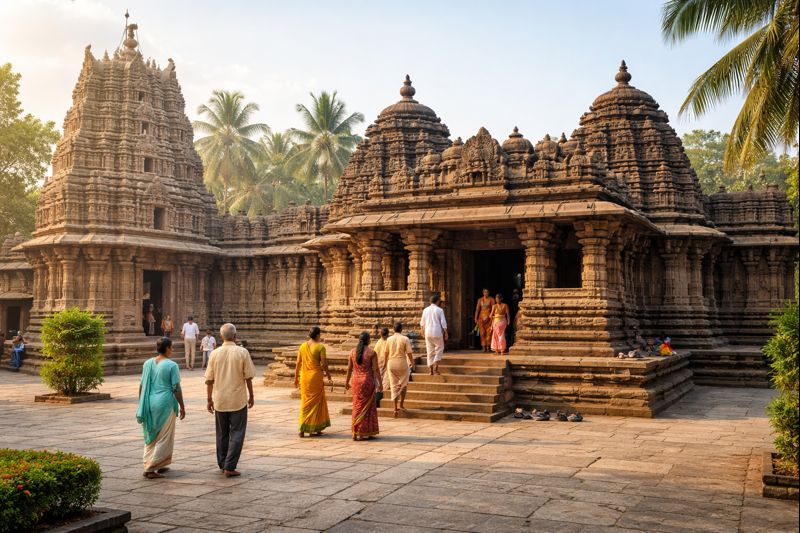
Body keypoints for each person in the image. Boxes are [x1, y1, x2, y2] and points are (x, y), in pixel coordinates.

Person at [205, 323, 256, 477]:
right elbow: (248, 377)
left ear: (221, 337)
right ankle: (230, 466)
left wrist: (209, 399)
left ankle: (223, 463)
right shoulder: (242, 352)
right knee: (237, 432)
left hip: (220, 399)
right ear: (235, 336)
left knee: (222, 433)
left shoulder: (214, 354)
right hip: (237, 399)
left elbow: (209, 380)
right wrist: (251, 396)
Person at [136, 337, 186, 479]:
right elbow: (176, 388)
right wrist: (182, 406)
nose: (173, 350)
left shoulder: (147, 363)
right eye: (172, 347)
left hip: (149, 402)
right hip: (165, 403)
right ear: (167, 348)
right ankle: (151, 468)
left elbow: (141, 385)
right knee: (164, 436)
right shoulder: (172, 365)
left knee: (151, 435)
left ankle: (157, 463)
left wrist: (142, 403)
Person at [294, 326, 332, 438]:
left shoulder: (302, 346)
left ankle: (302, 428)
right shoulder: (320, 347)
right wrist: (329, 375)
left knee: (305, 403)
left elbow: (298, 364)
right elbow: (324, 365)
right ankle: (312, 428)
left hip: (304, 377)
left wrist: (295, 377)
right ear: (318, 335)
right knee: (316, 402)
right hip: (315, 378)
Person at [345, 331, 382, 441]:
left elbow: (349, 369)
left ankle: (355, 431)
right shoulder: (371, 353)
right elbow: (375, 369)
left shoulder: (352, 352)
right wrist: (380, 383)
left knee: (357, 405)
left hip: (355, 381)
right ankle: (367, 430)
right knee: (368, 406)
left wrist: (346, 382)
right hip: (367, 381)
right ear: (368, 340)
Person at [384, 322, 415, 416]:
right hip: (402, 362)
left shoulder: (389, 339)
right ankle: (401, 404)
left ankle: (395, 408)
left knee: (394, 385)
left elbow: (386, 353)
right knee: (403, 384)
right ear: (401, 329)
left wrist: (386, 364)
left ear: (393, 329)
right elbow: (409, 353)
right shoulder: (405, 339)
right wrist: (412, 363)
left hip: (391, 362)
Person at [420, 294, 448, 375]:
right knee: (439, 349)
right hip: (437, 332)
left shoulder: (425, 310)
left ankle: (430, 370)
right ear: (438, 301)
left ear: (430, 301)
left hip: (427, 332)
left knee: (429, 351)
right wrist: (445, 332)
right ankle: (435, 368)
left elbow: (422, 322)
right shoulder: (439, 310)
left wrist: (422, 330)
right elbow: (443, 322)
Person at [474, 289, 493, 353]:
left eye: (487, 292)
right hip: (481, 318)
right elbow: (477, 309)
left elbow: (493, 309)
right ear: (483, 293)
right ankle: (483, 346)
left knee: (489, 333)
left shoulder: (491, 299)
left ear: (489, 293)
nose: (486, 293)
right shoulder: (480, 300)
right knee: (482, 333)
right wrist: (475, 318)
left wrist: (489, 316)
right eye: (485, 292)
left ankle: (488, 346)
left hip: (489, 318)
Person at [373, 327, 390, 391]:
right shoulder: (389, 341)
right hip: (386, 362)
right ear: (387, 334)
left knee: (380, 377)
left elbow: (375, 353)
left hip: (379, 362)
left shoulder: (378, 342)